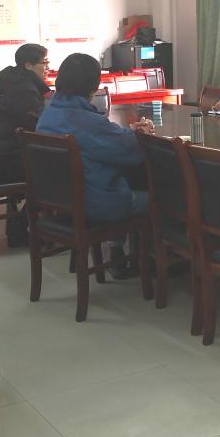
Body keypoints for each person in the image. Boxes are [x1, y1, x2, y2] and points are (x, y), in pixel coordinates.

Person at [37, 53, 153, 276]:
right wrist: (141, 134)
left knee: (120, 179)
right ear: (93, 85)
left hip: (65, 200)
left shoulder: (49, 113)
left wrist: (126, 134)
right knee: (160, 197)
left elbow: (104, 142)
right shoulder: (86, 121)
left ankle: (117, 253)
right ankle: (153, 261)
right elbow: (131, 152)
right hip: (97, 203)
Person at [0, 44, 51, 247]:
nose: (47, 68)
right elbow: (40, 126)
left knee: (52, 164)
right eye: (44, 63)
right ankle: (23, 226)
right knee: (56, 169)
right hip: (3, 162)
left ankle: (25, 223)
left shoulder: (14, 82)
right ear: (28, 65)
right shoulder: (24, 90)